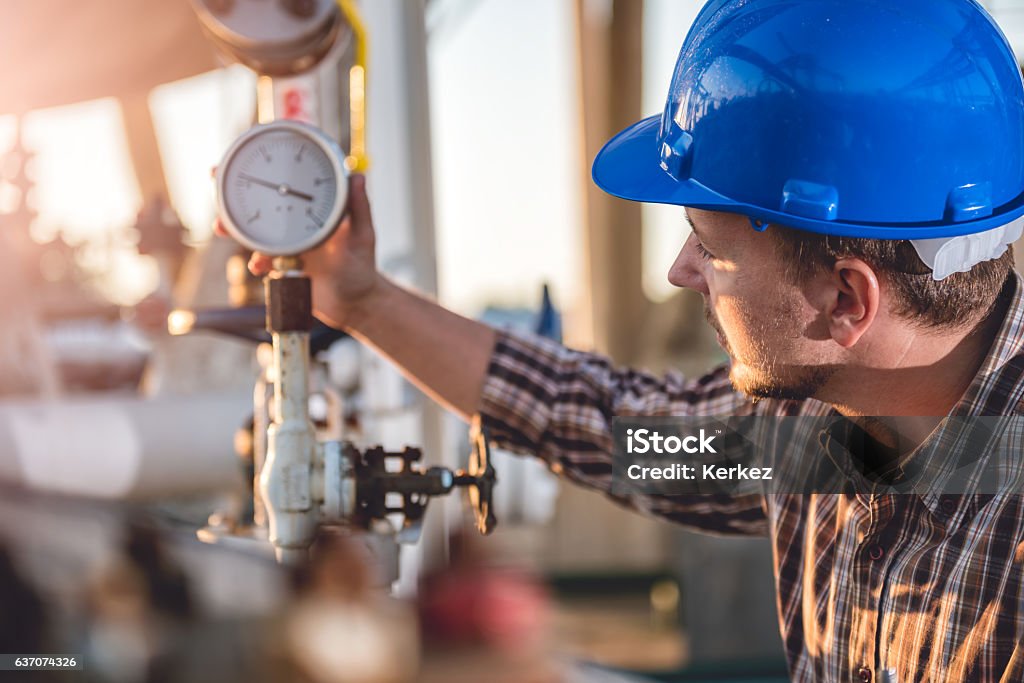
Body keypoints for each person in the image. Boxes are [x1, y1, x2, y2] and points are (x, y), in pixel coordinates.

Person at [223, 1, 1024, 680]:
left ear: (848, 298)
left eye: (709, 245)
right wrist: (361, 299)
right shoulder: (814, 434)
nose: (681, 271)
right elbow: (616, 429)